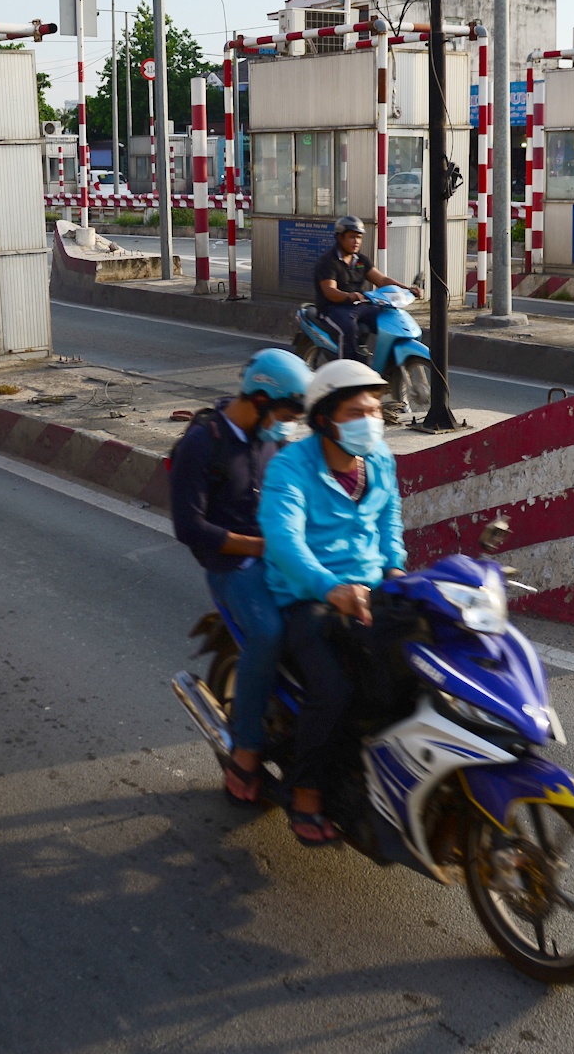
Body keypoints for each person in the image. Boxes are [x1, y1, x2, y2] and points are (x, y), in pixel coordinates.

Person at [259, 358, 406, 847]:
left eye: (375, 409)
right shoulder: (290, 467)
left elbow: (389, 520)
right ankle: (305, 793)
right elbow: (284, 541)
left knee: (415, 672)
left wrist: (395, 568)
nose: (371, 420)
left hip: (370, 589)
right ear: (323, 419)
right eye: (356, 411)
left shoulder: (379, 457)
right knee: (336, 690)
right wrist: (329, 588)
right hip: (308, 597)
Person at [169, 348, 313, 807]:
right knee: (268, 633)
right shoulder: (202, 443)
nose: (290, 423)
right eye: (288, 412)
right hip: (232, 567)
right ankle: (247, 751)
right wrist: (257, 547)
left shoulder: (273, 440)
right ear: (260, 399)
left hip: (281, 556)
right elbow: (189, 528)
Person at [312, 215, 418, 360]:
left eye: (359, 237)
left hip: (360, 306)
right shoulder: (328, 262)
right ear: (340, 237)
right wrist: (349, 296)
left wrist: (407, 289)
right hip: (333, 309)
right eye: (352, 237)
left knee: (388, 321)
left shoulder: (361, 261)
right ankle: (347, 370)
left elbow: (382, 280)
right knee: (348, 329)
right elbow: (330, 292)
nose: (356, 241)